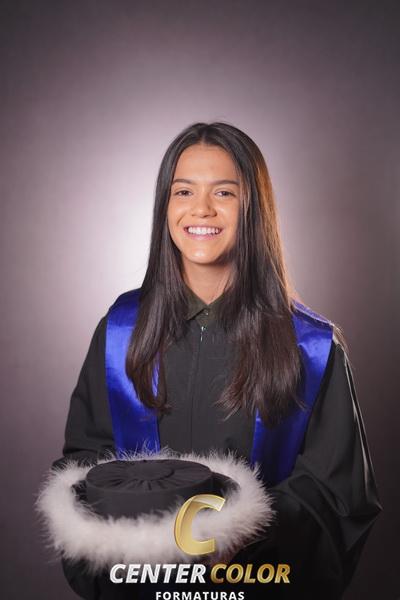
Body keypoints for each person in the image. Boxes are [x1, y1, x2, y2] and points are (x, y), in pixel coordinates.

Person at [44, 122, 382, 599]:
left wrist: (240, 533)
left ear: (253, 209)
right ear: (165, 207)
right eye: (183, 191)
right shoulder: (121, 332)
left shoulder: (310, 347)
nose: (201, 209)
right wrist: (125, 537)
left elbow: (335, 493)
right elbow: (86, 459)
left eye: (224, 192)